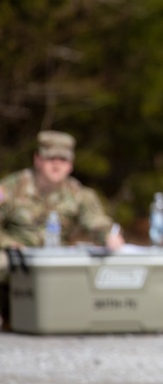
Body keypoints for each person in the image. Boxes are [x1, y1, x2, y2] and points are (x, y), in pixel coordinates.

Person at [0, 130, 126, 331]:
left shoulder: (78, 194)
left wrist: (108, 236)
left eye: (62, 159)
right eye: (50, 158)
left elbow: (95, 220)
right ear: (38, 160)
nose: (56, 164)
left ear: (70, 165)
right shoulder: (12, 187)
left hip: (53, 261)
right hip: (17, 256)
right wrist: (8, 244)